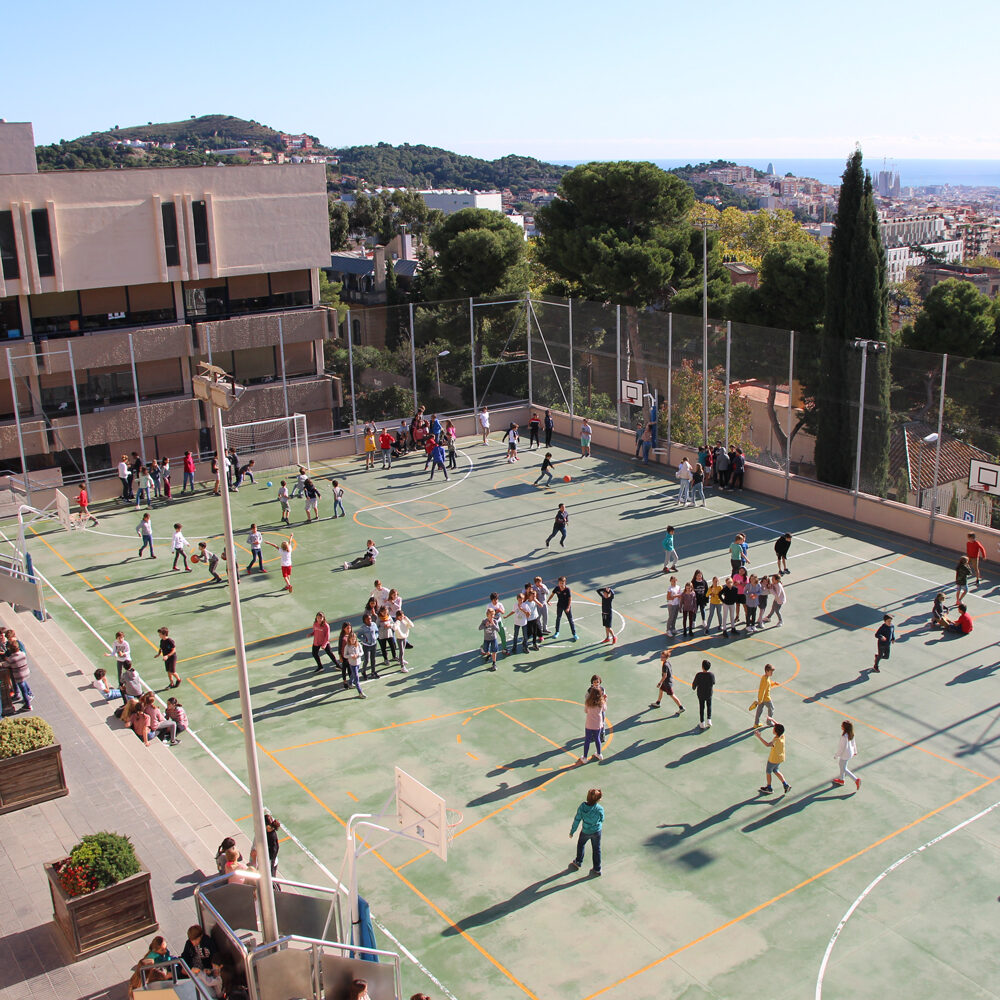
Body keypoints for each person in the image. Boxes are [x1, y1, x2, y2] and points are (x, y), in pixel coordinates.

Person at [568, 788, 603, 876]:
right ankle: (597, 868)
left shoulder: (582, 807)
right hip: (596, 831)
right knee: (596, 849)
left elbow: (577, 819)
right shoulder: (599, 808)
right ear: (598, 799)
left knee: (581, 845)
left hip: (585, 831)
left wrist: (572, 831)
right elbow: (602, 818)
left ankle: (578, 862)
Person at [756, 722, 790, 794]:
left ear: (776, 731)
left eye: (774, 728)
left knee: (768, 772)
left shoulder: (775, 741)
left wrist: (759, 737)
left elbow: (767, 744)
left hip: (773, 759)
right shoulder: (782, 736)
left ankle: (769, 787)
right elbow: (779, 726)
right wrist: (772, 720)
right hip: (780, 758)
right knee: (776, 770)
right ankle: (785, 785)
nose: (773, 729)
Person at [578, 685, 606, 762]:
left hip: (589, 724)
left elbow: (586, 711)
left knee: (587, 740)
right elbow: (604, 709)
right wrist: (605, 700)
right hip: (598, 724)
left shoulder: (588, 702)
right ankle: (599, 754)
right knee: (597, 738)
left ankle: (585, 757)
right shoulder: (601, 702)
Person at [832, 720, 860, 790]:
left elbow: (842, 748)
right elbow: (854, 743)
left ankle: (856, 780)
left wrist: (836, 755)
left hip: (845, 754)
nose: (841, 726)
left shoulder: (844, 737)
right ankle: (841, 780)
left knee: (843, 768)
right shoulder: (851, 734)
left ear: (845, 727)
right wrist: (855, 751)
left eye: (842, 726)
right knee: (842, 766)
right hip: (849, 753)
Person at [6, 640, 32, 712]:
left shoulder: (11, 658)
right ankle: (30, 694)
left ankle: (28, 705)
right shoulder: (22, 654)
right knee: (24, 684)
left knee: (23, 690)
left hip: (18, 675)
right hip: (25, 672)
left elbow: (5, 664)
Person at [548, 576, 577, 640]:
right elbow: (552, 594)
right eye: (560, 583)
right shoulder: (557, 588)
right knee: (558, 618)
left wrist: (568, 608)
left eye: (563, 583)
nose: (561, 584)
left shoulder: (567, 589)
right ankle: (557, 632)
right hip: (560, 606)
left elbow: (570, 599)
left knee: (570, 620)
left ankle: (574, 634)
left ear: (565, 582)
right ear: (558, 583)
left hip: (566, 606)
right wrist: (548, 601)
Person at [691, 659, 715, 729]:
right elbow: (713, 682)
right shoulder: (711, 675)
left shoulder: (699, 675)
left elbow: (694, 684)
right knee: (709, 705)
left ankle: (702, 723)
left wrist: (694, 687)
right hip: (708, 693)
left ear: (702, 667)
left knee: (701, 707)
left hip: (701, 693)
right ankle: (709, 720)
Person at [751, 664, 776, 728]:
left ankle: (756, 723)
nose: (772, 673)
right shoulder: (766, 680)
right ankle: (769, 722)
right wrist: (760, 700)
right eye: (771, 671)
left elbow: (767, 686)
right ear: (767, 671)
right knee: (771, 708)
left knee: (759, 710)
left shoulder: (765, 677)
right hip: (766, 698)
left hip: (762, 698)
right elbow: (762, 690)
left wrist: (773, 684)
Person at [358, 613, 379, 680]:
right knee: (367, 660)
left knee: (373, 659)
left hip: (374, 644)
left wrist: (376, 637)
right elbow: (359, 636)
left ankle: (373, 671)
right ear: (364, 621)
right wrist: (365, 640)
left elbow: (377, 632)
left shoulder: (374, 624)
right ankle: (363, 672)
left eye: (370, 618)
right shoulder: (362, 628)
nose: (369, 620)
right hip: (366, 646)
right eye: (367, 619)